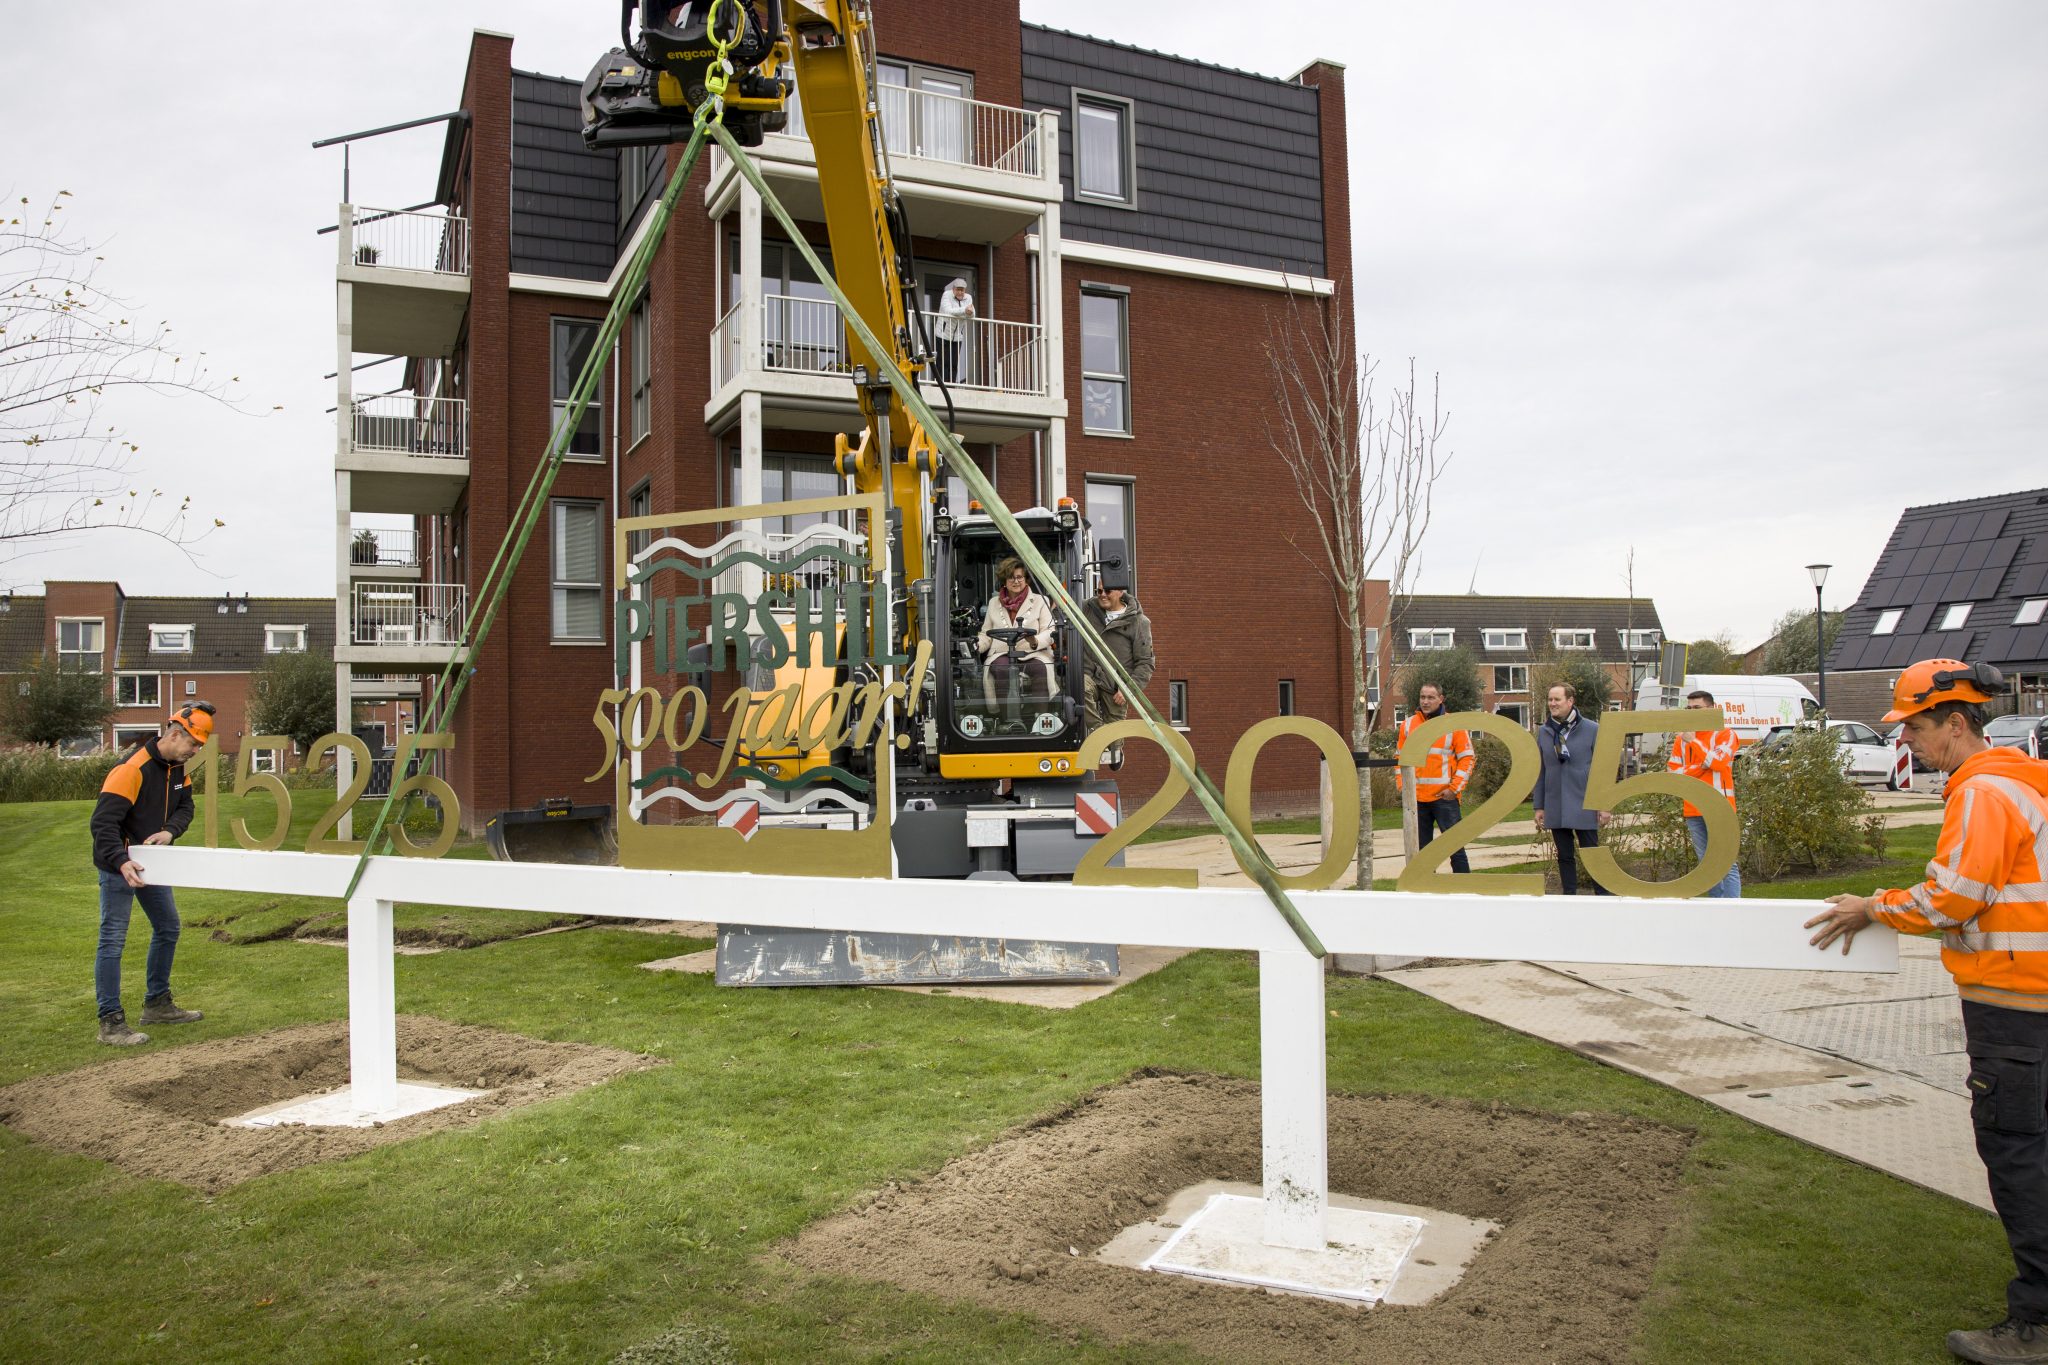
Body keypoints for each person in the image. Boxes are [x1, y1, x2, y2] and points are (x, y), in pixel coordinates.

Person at [1806, 659, 2048, 1364]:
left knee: (2017, 1152)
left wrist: (1872, 905)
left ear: (1956, 722)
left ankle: (2035, 1322)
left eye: (1914, 725)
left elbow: (1952, 896)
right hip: (2036, 992)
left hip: (2013, 1001)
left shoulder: (1982, 792)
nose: (1906, 739)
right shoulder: (2028, 783)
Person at [90, 702, 213, 1046]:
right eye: (193, 744)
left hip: (152, 863)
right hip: (120, 867)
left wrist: (171, 831)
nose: (195, 751)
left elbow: (186, 806)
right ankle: (110, 1022)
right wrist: (120, 860)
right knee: (113, 940)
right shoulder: (131, 769)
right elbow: (102, 824)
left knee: (168, 927)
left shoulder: (178, 769)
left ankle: (157, 1004)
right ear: (175, 735)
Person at [1532, 682, 1611, 895]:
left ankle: (1604, 897)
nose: (1552, 703)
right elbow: (1541, 770)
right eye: (1550, 699)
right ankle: (1570, 897)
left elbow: (1603, 769)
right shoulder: (1545, 732)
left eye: (1557, 699)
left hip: (1585, 802)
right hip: (1555, 802)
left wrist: (1604, 805)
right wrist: (1539, 805)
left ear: (1570, 701)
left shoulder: (1592, 729)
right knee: (1564, 855)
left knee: (1592, 854)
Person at [1397, 682, 1476, 874]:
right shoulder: (1408, 725)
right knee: (1422, 853)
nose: (1425, 701)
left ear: (1441, 699)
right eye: (1422, 697)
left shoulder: (1454, 725)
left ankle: (1464, 890)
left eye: (1431, 697)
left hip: (1445, 798)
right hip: (1417, 799)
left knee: (1455, 848)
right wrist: (1402, 787)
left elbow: (1468, 758)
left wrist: (1454, 789)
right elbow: (1399, 758)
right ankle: (1426, 891)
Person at [1669, 689, 1742, 898]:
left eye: (1697, 708)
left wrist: (1694, 742)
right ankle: (1715, 907)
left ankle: (1732, 909)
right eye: (1689, 708)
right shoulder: (1680, 739)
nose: (1692, 712)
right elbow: (1673, 773)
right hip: (1692, 808)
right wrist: (1701, 766)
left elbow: (1718, 763)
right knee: (1706, 865)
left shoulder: (1725, 734)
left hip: (1720, 807)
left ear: (1711, 708)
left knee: (1726, 862)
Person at [1080, 575, 1154, 767]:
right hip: (1091, 675)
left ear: (1121, 591)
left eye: (1107, 591)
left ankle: (1115, 747)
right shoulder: (1087, 608)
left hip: (1116, 687)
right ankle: (1098, 733)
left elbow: (1145, 662)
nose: (1102, 595)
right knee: (1080, 687)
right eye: (1099, 591)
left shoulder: (1139, 623)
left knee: (1113, 749)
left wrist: (1129, 689)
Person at [978, 558, 1056, 716]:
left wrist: (1034, 641)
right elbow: (986, 634)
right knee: (1001, 668)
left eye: (1020, 577)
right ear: (1004, 581)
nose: (1016, 581)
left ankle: (1042, 719)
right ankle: (1005, 721)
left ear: (1026, 580)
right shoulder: (993, 603)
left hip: (1033, 653)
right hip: (1002, 654)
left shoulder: (1041, 601)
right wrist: (975, 645)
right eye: (1011, 577)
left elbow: (1050, 632)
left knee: (1040, 669)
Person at [932, 278, 975, 383]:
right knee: (942, 362)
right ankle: (940, 384)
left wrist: (969, 313)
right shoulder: (947, 295)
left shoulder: (968, 298)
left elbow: (972, 314)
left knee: (954, 363)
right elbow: (948, 311)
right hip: (942, 334)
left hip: (957, 336)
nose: (960, 292)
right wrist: (965, 311)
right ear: (953, 289)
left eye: (962, 290)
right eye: (958, 290)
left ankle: (950, 385)